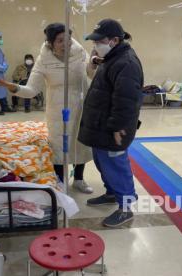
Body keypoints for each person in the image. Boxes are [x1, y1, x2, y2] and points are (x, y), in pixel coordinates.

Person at [0, 23, 95, 194]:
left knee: (81, 143)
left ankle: (79, 179)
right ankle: (60, 181)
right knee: (58, 145)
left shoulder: (80, 52)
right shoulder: (43, 61)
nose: (66, 44)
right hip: (57, 108)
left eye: (68, 39)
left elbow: (90, 73)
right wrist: (14, 88)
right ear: (50, 43)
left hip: (81, 104)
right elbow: (32, 90)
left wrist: (94, 63)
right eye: (60, 41)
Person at [78, 19, 144, 227]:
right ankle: (111, 193)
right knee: (102, 162)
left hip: (114, 128)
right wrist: (98, 62)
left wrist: (118, 128)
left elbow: (127, 101)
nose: (96, 45)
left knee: (116, 166)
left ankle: (126, 208)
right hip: (102, 126)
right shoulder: (112, 58)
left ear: (115, 40)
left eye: (99, 41)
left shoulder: (126, 63)